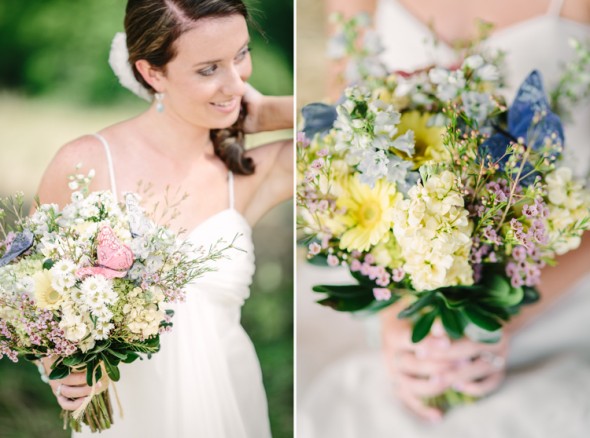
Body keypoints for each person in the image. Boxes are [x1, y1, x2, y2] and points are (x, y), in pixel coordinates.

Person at [298, 0, 590, 435]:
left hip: (560, 296)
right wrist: (397, 309)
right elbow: (339, 144)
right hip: (403, 308)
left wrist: (495, 317)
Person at [36, 0, 293, 436]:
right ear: (153, 73)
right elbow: (34, 297)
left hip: (227, 407)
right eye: (209, 69)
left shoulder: (251, 172)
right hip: (127, 417)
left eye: (241, 55)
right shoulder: (84, 164)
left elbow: (366, 130)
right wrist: (60, 367)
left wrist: (269, 111)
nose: (236, 81)